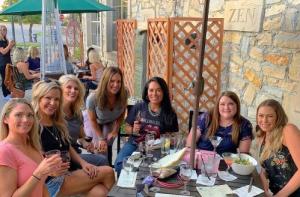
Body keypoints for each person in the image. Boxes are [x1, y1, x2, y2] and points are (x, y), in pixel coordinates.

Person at [31, 80, 115, 197]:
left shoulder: (57, 122)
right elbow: (30, 158)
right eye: (48, 98)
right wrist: (50, 171)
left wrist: (84, 163)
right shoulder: (33, 126)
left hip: (65, 172)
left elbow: (68, 146)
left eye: (56, 99)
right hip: (49, 181)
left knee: (100, 192)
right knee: (109, 172)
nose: (53, 103)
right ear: (38, 98)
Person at [114, 76, 179, 175]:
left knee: (151, 170)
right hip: (134, 144)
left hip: (157, 149)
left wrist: (167, 140)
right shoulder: (139, 107)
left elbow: (173, 137)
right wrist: (133, 130)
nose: (154, 94)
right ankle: (127, 186)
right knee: (119, 165)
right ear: (147, 92)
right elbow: (123, 128)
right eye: (151, 90)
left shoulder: (170, 113)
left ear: (164, 92)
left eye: (158, 90)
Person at [0, 98, 62, 196]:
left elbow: (41, 185)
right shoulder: (4, 151)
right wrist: (38, 173)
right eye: (18, 115)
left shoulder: (33, 144)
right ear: (5, 119)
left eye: (30, 115)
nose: (25, 120)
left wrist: (50, 173)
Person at [59, 74, 108, 166]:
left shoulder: (77, 113)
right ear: (60, 89)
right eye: (68, 87)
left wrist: (86, 144)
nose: (73, 91)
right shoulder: (55, 112)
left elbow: (81, 137)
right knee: (102, 161)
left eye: (76, 89)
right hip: (62, 157)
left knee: (101, 159)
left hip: (75, 153)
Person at [255, 99, 300, 196]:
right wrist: (262, 175)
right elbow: (271, 168)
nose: (264, 120)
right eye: (261, 115)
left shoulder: (288, 130)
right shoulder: (262, 136)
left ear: (278, 117)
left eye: (270, 116)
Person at [186, 91, 253, 155]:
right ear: (217, 106)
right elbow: (190, 143)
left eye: (230, 104)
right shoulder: (206, 118)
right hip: (201, 161)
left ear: (237, 106)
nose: (226, 107)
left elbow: (243, 155)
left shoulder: (244, 125)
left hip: (227, 164)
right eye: (222, 104)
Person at [86, 66, 127, 166]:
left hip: (111, 121)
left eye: (119, 81)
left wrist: (115, 130)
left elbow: (122, 114)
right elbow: (92, 120)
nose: (116, 85)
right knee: (101, 149)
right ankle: (103, 168)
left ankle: (107, 166)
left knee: (108, 142)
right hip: (95, 121)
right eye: (112, 81)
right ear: (105, 81)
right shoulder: (93, 98)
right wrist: (100, 138)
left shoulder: (124, 93)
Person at [0, 25, 15, 98]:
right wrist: (9, 45)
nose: (5, 31)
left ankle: (9, 92)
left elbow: (8, 51)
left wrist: (11, 46)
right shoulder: (0, 41)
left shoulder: (6, 40)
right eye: (3, 29)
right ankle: (5, 94)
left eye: (6, 29)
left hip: (8, 61)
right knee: (5, 78)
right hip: (2, 63)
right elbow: (3, 52)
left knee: (10, 78)